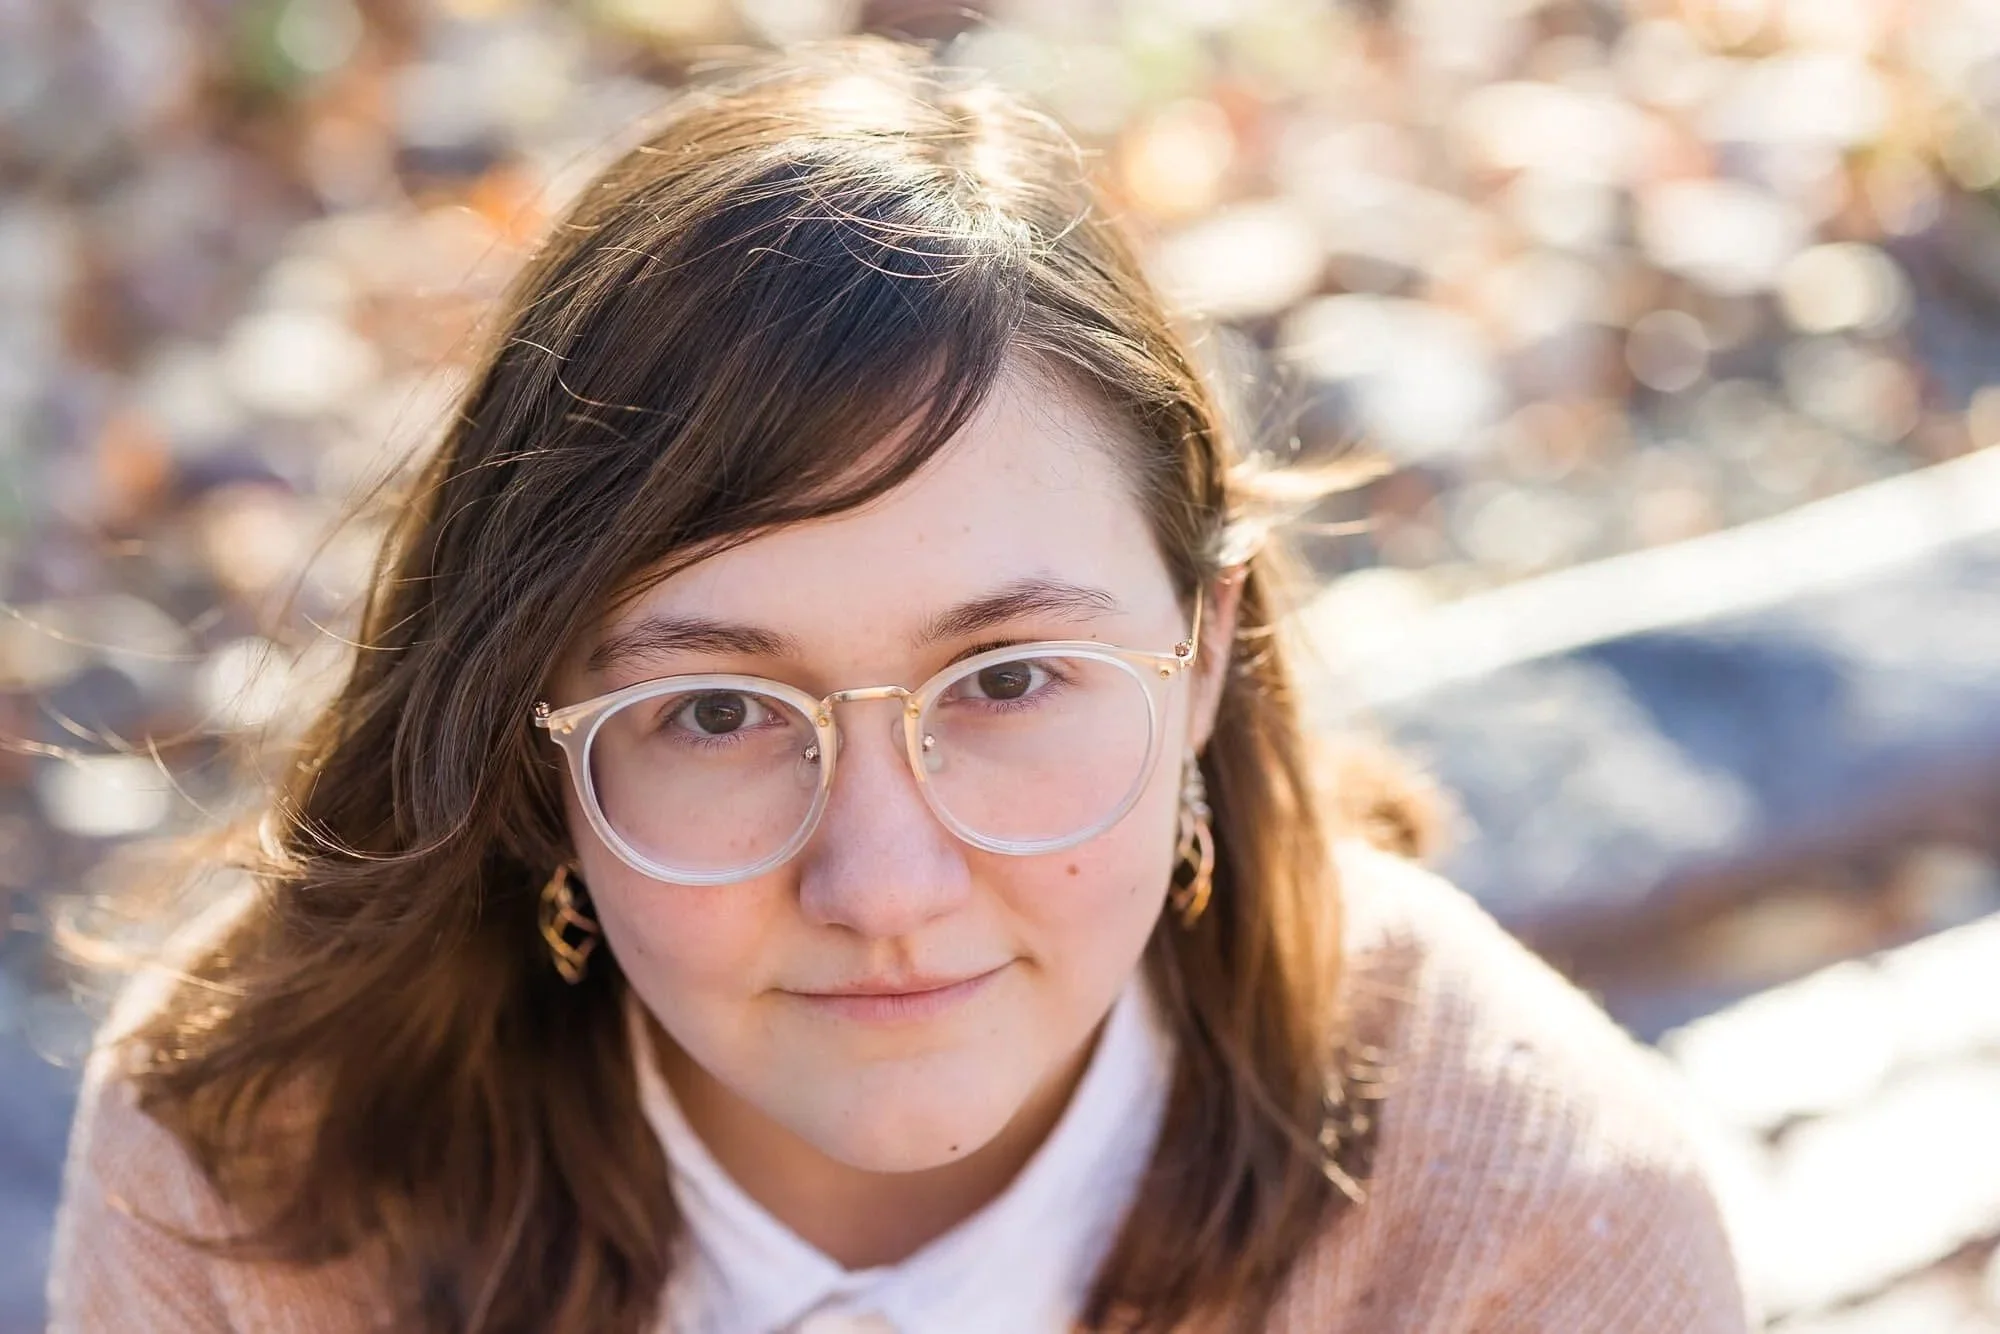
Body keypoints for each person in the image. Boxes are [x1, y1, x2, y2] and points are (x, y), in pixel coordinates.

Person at [48, 37, 1753, 1334]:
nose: (884, 885)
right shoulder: (254, 1160)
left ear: (1206, 654)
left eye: (1010, 678)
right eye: (714, 712)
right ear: (530, 749)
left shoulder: (1534, 1223)